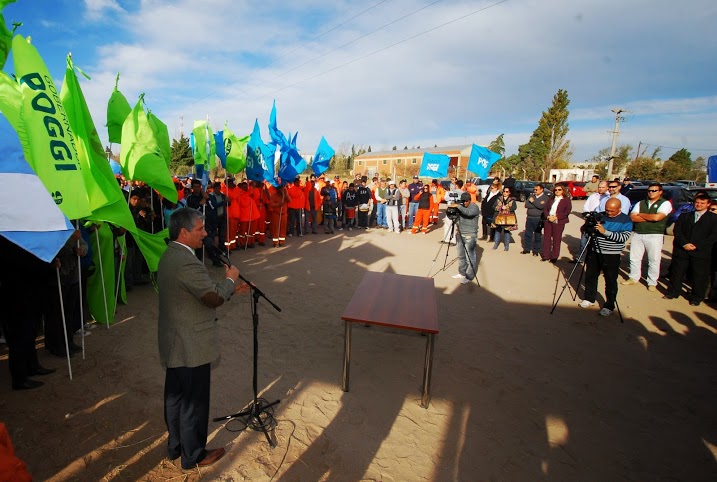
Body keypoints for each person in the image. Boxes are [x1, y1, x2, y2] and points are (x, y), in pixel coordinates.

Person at [158, 208, 245, 470]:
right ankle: (193, 454)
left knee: (175, 397)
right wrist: (229, 282)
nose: (205, 233)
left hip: (176, 340)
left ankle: (176, 447)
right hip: (190, 344)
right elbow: (211, 298)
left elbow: (195, 294)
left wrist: (228, 290)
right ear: (184, 232)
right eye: (200, 229)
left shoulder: (171, 254)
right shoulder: (186, 261)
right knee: (193, 403)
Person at [578, 198, 633, 316]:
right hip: (594, 251)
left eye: (612, 211)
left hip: (611, 254)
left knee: (610, 280)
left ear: (619, 208)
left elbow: (623, 238)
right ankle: (589, 298)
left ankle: (609, 305)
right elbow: (587, 230)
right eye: (607, 210)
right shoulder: (599, 216)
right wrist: (587, 227)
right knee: (591, 276)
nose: (608, 213)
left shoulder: (626, 220)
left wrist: (605, 232)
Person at [663, 193, 717, 306]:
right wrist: (685, 244)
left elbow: (713, 236)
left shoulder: (713, 219)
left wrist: (697, 245)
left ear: (708, 204)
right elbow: (677, 231)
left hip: (701, 252)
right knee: (677, 273)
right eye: (697, 202)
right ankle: (673, 292)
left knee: (699, 276)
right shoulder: (685, 216)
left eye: (702, 203)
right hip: (683, 250)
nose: (699, 205)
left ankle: (696, 297)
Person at [622, 183, 671, 291]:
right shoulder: (641, 203)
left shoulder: (665, 203)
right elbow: (632, 217)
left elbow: (657, 217)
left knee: (653, 259)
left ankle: (652, 282)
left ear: (660, 192)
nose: (651, 192)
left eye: (654, 191)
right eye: (649, 190)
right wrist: (649, 217)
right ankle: (633, 278)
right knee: (634, 258)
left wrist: (641, 215)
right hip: (638, 233)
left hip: (655, 234)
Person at [572, 181, 610, 263]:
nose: (600, 189)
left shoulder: (609, 198)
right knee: (583, 241)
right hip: (590, 220)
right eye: (599, 187)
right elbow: (586, 206)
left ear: (607, 188)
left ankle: (595, 260)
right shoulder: (593, 196)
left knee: (596, 243)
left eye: (603, 187)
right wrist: (588, 215)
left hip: (601, 222)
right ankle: (580, 258)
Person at [450, 192, 480, 284]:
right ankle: (462, 273)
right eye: (462, 201)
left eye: (465, 201)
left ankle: (469, 276)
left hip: (470, 235)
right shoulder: (461, 207)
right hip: (460, 234)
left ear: (469, 200)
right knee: (461, 255)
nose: (464, 203)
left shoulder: (474, 207)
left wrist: (458, 206)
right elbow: (457, 218)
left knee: (470, 257)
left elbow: (468, 213)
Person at [541, 185, 572, 263]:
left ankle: (554, 256)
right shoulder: (551, 199)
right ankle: (546, 255)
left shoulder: (566, 200)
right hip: (548, 219)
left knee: (556, 239)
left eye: (559, 190)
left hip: (558, 221)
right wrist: (548, 216)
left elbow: (567, 211)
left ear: (563, 191)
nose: (557, 191)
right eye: (555, 190)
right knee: (547, 238)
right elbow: (546, 209)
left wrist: (556, 217)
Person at [522, 183, 549, 256]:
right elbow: (526, 205)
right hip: (529, 217)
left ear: (541, 190)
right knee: (528, 234)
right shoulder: (531, 196)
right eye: (534, 189)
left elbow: (541, 207)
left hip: (538, 218)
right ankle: (527, 249)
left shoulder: (545, 198)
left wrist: (533, 202)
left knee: (537, 235)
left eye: (536, 189)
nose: (535, 191)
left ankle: (536, 251)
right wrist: (536, 204)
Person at [492, 187, 517, 251]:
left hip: (508, 218)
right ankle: (495, 245)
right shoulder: (498, 199)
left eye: (507, 191)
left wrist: (507, 207)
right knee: (497, 231)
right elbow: (493, 206)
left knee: (507, 232)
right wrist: (500, 207)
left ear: (509, 193)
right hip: (499, 217)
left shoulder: (512, 200)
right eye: (504, 191)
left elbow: (514, 207)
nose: (505, 193)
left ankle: (506, 246)